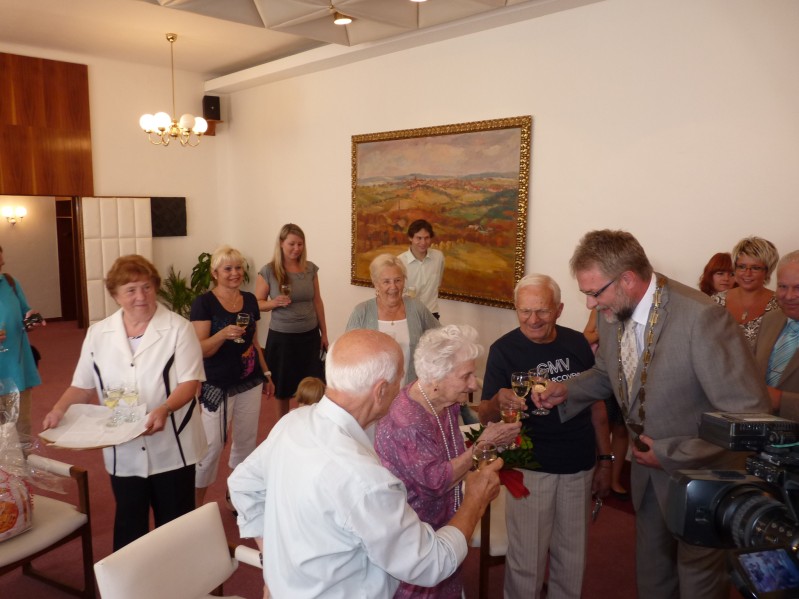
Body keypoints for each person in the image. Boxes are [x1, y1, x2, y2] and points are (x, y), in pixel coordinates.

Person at [534, 230, 770, 599]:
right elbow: (607, 373)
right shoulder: (614, 310)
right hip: (647, 475)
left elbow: (748, 415)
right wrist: (567, 390)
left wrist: (672, 453)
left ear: (627, 279)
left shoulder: (701, 318)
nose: (590, 304)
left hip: (701, 479)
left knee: (698, 584)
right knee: (654, 577)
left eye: (594, 292)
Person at [227, 329, 503, 599]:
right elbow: (431, 564)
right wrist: (475, 500)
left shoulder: (292, 423)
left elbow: (242, 485)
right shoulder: (365, 481)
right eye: (399, 379)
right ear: (381, 390)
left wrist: (272, 566)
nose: (403, 389)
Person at [42, 255, 206, 550]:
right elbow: (82, 385)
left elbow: (190, 383)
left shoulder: (178, 328)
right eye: (130, 290)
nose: (140, 296)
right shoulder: (98, 334)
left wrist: (165, 408)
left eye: (147, 287)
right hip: (122, 445)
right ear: (116, 295)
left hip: (173, 444)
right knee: (130, 523)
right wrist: (58, 409)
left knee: (176, 525)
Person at [478, 274, 612, 598]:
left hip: (579, 464)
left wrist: (606, 460)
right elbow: (484, 415)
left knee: (572, 559)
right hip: (530, 468)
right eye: (525, 311)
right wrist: (498, 401)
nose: (533, 319)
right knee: (526, 561)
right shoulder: (503, 350)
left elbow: (597, 406)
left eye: (542, 311)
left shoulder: (577, 344)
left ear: (559, 309)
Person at [375, 324, 520, 599]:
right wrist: (482, 445)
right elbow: (435, 481)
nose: (474, 384)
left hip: (445, 525)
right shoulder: (408, 422)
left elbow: (452, 455)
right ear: (435, 378)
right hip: (416, 540)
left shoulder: (445, 403)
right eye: (466, 376)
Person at [190, 245, 275, 508]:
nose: (235, 273)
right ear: (215, 273)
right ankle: (194, 506)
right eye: (228, 268)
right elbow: (199, 349)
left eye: (238, 267)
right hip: (217, 384)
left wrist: (266, 372)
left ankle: (236, 496)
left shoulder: (249, 300)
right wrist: (222, 335)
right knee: (211, 447)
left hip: (249, 379)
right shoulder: (204, 303)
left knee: (246, 442)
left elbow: (254, 342)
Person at [255, 224, 328, 419]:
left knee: (312, 385)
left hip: (310, 336)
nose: (297, 248)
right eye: (292, 244)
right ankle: (283, 425)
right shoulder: (269, 270)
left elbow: (317, 301)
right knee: (283, 387)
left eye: (300, 244)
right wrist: (274, 303)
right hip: (283, 338)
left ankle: (310, 424)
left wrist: (324, 333)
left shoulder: (310, 269)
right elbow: (257, 304)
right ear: (281, 243)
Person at [346, 253, 439, 385]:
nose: (393, 287)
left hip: (410, 392)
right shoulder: (362, 312)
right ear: (376, 284)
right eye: (386, 282)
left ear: (404, 281)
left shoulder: (416, 308)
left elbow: (441, 339)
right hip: (371, 391)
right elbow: (347, 354)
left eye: (398, 280)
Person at [584, 307, 629, 499]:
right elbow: (586, 336)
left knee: (622, 430)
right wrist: (605, 332)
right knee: (603, 428)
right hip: (605, 376)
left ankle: (614, 480)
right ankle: (597, 476)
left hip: (629, 378)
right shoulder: (600, 309)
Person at [0, 245, 45, 439]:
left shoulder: (10, 283)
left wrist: (30, 319)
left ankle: (23, 459)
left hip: (17, 368)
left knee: (22, 429)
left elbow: (24, 314)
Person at [712, 236, 779, 350]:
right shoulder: (715, 301)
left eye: (755, 268)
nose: (747, 273)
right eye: (742, 267)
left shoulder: (779, 305)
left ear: (767, 271)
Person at [754, 250, 799, 419]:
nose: (788, 296)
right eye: (782, 286)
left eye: (798, 287)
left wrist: (782, 401)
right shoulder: (770, 320)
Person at [399, 219, 445, 319]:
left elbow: (438, 282)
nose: (423, 242)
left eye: (426, 238)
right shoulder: (399, 261)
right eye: (419, 238)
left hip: (431, 313)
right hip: (407, 314)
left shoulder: (438, 257)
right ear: (410, 238)